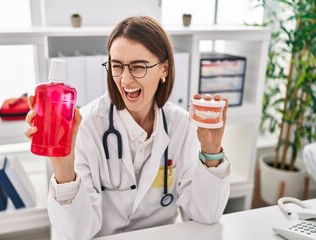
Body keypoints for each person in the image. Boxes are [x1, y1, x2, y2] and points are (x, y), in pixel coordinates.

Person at [25, 15, 230, 240]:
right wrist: (63, 167)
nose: (124, 79)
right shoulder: (86, 126)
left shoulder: (181, 125)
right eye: (117, 66)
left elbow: (206, 214)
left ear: (164, 69)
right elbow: (76, 233)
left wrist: (211, 150)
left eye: (138, 67)